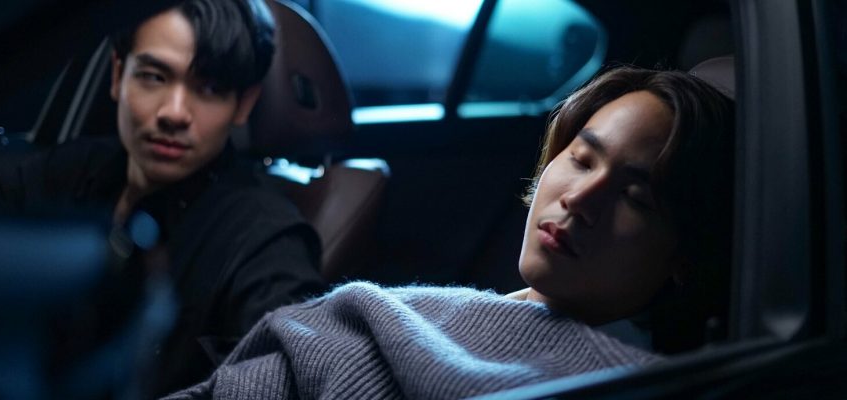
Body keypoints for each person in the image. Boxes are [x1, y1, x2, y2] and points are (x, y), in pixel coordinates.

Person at [164, 66, 735, 400]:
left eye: (636, 197)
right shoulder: (437, 314)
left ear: (684, 254)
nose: (580, 199)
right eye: (582, 159)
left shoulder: (632, 383)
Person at [0, 0, 326, 396]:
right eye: (154, 77)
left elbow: (293, 375)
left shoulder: (265, 239)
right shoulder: (73, 167)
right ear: (117, 75)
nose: (174, 113)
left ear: (243, 103)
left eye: (210, 88)